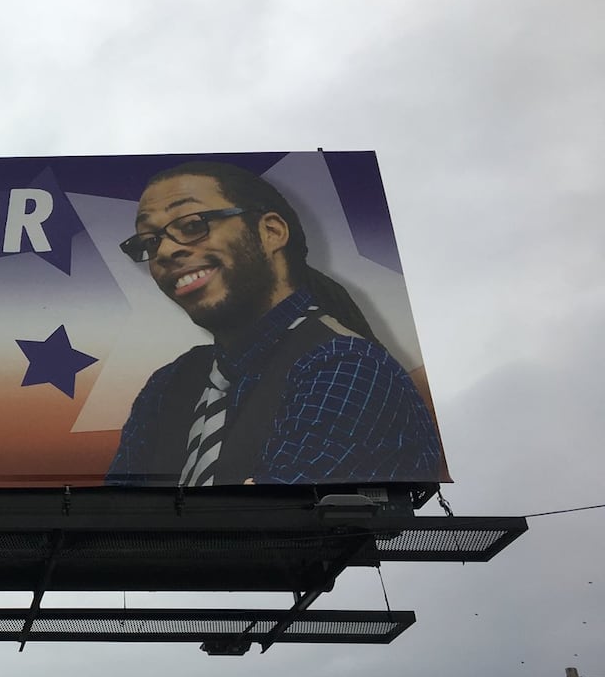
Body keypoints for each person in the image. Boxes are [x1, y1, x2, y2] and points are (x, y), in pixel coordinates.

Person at [104, 161, 444, 486]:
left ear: (271, 232)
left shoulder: (345, 365)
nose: (163, 252)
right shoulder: (168, 385)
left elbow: (274, 522)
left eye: (192, 225)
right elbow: (110, 519)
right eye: (149, 242)